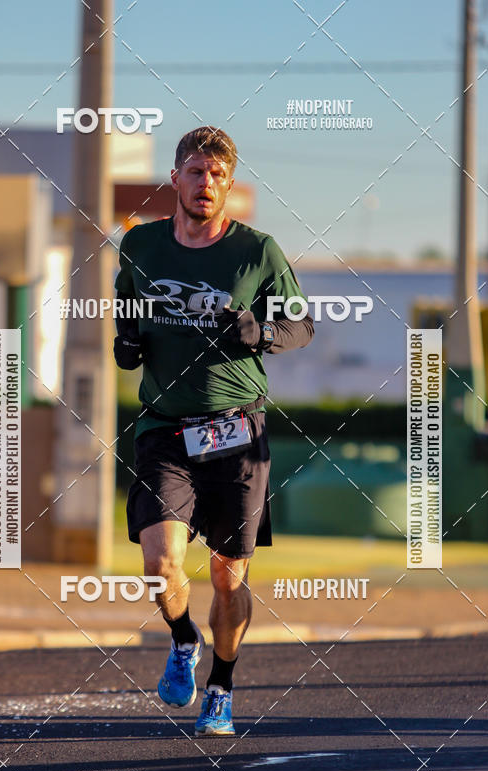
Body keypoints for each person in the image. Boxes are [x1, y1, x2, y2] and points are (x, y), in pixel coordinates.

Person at [114, 126, 313, 735]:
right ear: (175, 178)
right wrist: (127, 341)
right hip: (165, 429)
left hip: (236, 433)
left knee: (228, 576)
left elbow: (301, 327)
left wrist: (262, 332)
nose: (206, 183)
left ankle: (221, 686)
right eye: (197, 171)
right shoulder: (140, 244)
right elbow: (127, 309)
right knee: (160, 564)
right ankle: (182, 638)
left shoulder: (257, 252)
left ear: (229, 185)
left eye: (218, 175)